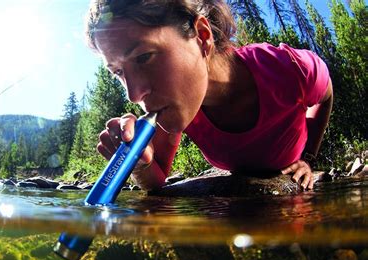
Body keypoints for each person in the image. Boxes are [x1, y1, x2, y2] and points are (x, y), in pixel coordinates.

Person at [85, 0, 333, 191]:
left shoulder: (288, 69)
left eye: (143, 57)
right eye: (118, 72)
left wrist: (308, 158)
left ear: (203, 36)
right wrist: (141, 164)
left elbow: (326, 94)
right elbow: (157, 177)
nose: (134, 94)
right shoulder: (178, 104)